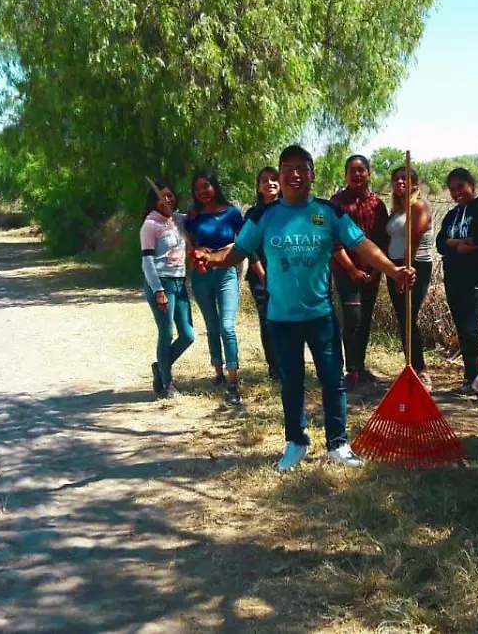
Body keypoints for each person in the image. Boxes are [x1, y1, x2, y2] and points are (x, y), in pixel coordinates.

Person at [195, 144, 416, 471]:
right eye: (288, 168)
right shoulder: (262, 216)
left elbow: (363, 246)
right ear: (280, 175)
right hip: (281, 317)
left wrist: (393, 271)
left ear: (312, 175)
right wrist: (210, 258)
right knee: (292, 382)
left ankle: (338, 443)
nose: (295, 174)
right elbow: (237, 251)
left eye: (302, 168)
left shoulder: (329, 213)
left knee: (332, 380)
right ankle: (296, 442)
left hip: (321, 316)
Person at [435, 167, 478, 397]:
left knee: (472, 329)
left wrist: (457, 244)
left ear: (471, 185)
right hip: (453, 278)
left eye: (460, 187)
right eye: (452, 189)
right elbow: (440, 242)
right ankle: (470, 378)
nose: (456, 193)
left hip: (476, 277)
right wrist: (456, 244)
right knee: (462, 330)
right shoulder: (452, 215)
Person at [330, 155, 391, 389]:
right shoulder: (337, 203)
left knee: (365, 319)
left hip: (372, 272)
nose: (357, 174)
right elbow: (334, 241)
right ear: (345, 174)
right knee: (352, 318)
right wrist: (352, 269)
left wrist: (377, 269)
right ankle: (351, 369)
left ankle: (361, 365)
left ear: (368, 173)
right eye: (352, 170)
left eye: (361, 170)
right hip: (346, 270)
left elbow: (381, 240)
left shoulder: (377, 204)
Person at [185, 171, 245, 406]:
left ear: (215, 187)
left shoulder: (231, 212)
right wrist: (200, 253)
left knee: (227, 326)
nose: (203, 191)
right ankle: (218, 372)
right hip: (201, 277)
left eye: (206, 186)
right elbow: (192, 242)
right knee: (211, 326)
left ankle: (233, 380)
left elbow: (244, 240)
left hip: (226, 274)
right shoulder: (194, 216)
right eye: (198, 188)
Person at [139, 182, 195, 400]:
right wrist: (158, 290)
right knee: (167, 333)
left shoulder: (178, 220)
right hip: (162, 283)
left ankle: (160, 366)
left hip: (180, 283)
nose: (167, 200)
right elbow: (147, 262)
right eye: (162, 197)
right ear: (155, 200)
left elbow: (197, 218)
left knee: (188, 335)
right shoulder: (150, 224)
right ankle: (167, 384)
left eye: (170, 196)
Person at [384, 165, 434, 390]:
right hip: (394, 266)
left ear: (415, 183)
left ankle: (421, 371)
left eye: (406, 178)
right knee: (402, 318)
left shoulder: (419, 206)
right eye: (397, 179)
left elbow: (413, 239)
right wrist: (391, 270)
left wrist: (405, 270)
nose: (401, 182)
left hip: (415, 266)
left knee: (409, 317)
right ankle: (410, 368)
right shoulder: (396, 210)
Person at [245, 166, 281, 381]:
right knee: (267, 321)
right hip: (261, 276)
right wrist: (263, 275)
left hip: (287, 275)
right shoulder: (253, 213)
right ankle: (274, 368)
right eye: (264, 180)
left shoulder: (290, 210)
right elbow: (249, 247)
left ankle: (288, 365)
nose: (270, 183)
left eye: (274, 179)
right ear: (259, 187)